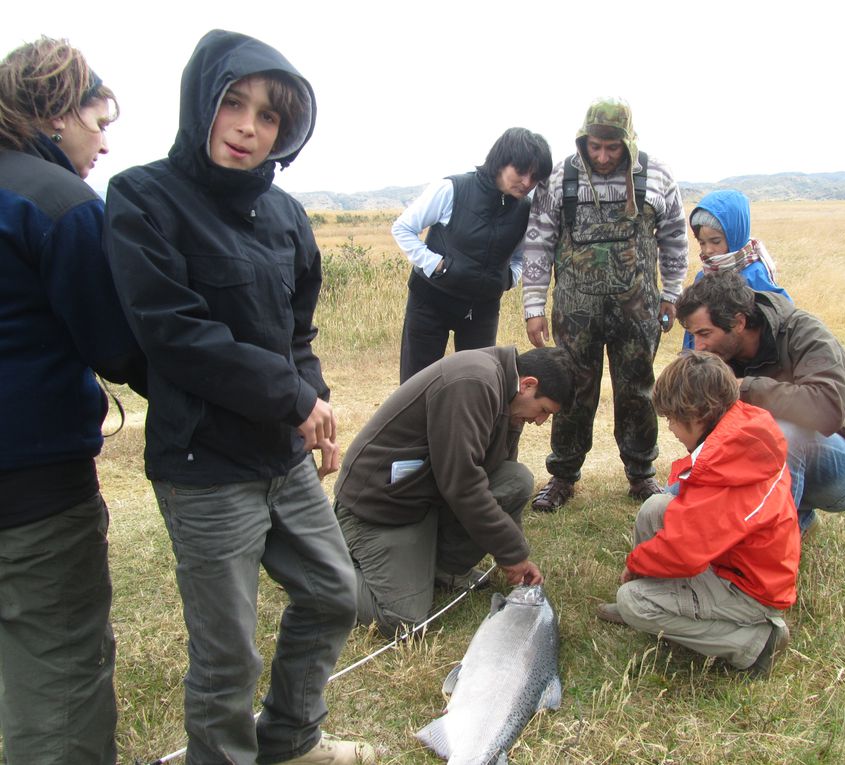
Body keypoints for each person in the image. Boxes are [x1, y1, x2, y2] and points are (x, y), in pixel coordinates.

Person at [104, 30, 374, 765]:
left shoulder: (286, 215)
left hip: (281, 455)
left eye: (268, 117)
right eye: (233, 104)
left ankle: (288, 740)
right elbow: (175, 334)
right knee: (228, 659)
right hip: (205, 460)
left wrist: (314, 402)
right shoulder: (143, 196)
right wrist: (292, 397)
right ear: (203, 104)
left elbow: (296, 330)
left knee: (332, 592)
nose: (248, 127)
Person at [0, 37, 145, 764]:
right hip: (31, 488)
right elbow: (120, 345)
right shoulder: (57, 202)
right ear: (58, 110)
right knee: (58, 675)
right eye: (100, 119)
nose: (105, 142)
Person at [333, 346, 574, 637]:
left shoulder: (511, 401)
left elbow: (494, 475)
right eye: (544, 411)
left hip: (424, 502)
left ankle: (442, 569)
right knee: (404, 622)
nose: (540, 421)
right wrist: (512, 553)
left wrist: (512, 548)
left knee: (516, 479)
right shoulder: (474, 382)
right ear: (528, 384)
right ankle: (317, 570)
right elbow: (463, 484)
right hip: (380, 508)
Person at [523, 97, 689, 510]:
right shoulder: (561, 176)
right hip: (573, 310)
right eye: (595, 146)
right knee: (571, 389)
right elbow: (538, 242)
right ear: (584, 139)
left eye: (612, 147)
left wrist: (671, 293)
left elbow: (674, 239)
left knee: (637, 389)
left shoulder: (657, 175)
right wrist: (533, 306)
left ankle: (641, 475)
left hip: (639, 309)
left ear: (628, 142)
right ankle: (562, 477)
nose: (601, 155)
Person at [595, 352, 800, 675]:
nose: (672, 429)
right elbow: (690, 523)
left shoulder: (726, 466)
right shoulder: (738, 435)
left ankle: (754, 642)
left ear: (697, 415)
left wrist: (635, 567)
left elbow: (685, 550)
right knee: (655, 509)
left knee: (634, 601)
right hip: (732, 563)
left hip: (748, 592)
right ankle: (658, 599)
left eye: (673, 419)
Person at [676, 270, 845, 534]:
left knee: (783, 433)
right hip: (780, 462)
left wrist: (746, 387)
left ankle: (771, 550)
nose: (699, 345)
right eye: (695, 335)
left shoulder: (806, 333)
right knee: (672, 501)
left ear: (739, 322)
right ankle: (793, 515)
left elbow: (827, 411)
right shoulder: (719, 352)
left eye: (705, 333)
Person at [393, 127, 552, 383]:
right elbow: (403, 228)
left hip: (483, 309)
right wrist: (435, 265)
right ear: (501, 161)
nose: (527, 182)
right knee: (416, 385)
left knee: (475, 385)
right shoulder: (453, 189)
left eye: (535, 177)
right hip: (430, 302)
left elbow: (521, 257)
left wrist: (508, 278)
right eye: (521, 172)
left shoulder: (525, 210)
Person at [682, 189, 791, 350]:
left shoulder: (754, 274)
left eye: (715, 241)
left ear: (735, 235)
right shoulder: (704, 275)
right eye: (702, 242)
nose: (708, 250)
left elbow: (779, 317)